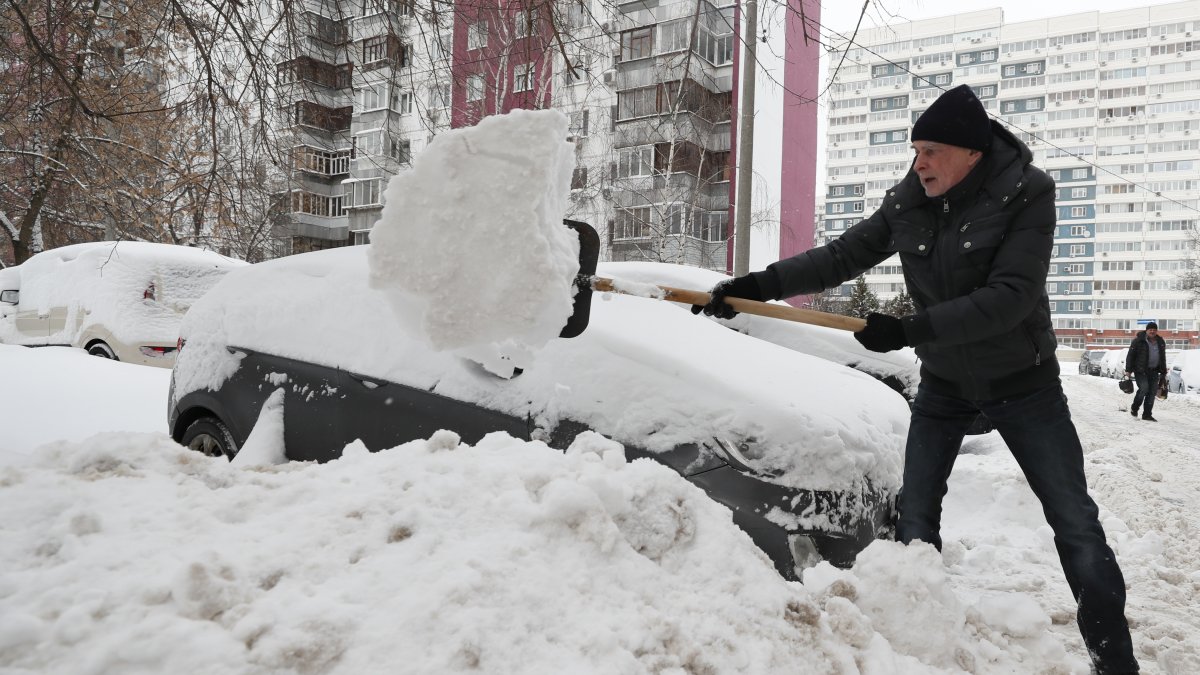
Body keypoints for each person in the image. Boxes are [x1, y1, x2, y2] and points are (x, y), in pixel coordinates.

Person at [696, 85, 1138, 674]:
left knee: (1075, 522)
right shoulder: (909, 202)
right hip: (946, 385)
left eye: (930, 150)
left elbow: (1010, 297)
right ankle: (915, 644)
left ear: (971, 153)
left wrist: (911, 328)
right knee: (916, 515)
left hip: (1024, 383)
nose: (919, 163)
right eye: (915, 151)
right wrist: (757, 286)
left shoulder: (1029, 194)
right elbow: (842, 255)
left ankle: (1114, 660)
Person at [1125, 322, 1167, 421]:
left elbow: (1162, 357)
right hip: (1141, 370)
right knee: (1144, 388)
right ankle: (1134, 408)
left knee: (1152, 392)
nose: (1152, 331)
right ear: (1146, 330)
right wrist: (1128, 370)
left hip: (1154, 371)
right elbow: (1130, 356)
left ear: (1156, 331)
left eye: (1154, 329)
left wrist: (1163, 371)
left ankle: (1147, 414)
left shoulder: (1160, 342)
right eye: (1150, 329)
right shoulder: (1138, 341)